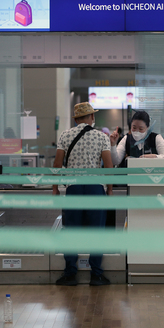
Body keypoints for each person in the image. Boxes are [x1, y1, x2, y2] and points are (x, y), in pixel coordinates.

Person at [53, 102, 113, 286]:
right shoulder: (102, 137)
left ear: (75, 119)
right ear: (92, 118)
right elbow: (108, 166)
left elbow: (57, 164)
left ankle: (70, 274)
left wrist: (55, 188)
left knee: (70, 230)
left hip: (74, 188)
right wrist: (109, 190)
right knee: (97, 232)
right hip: (95, 188)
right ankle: (96, 275)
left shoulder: (65, 135)